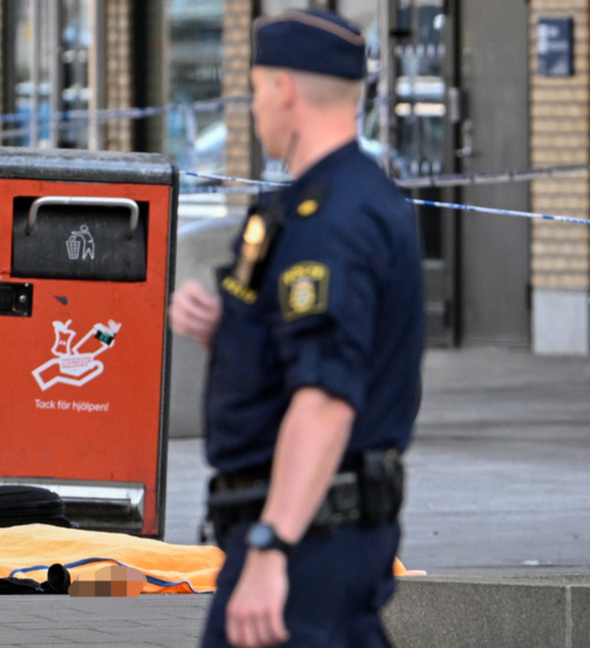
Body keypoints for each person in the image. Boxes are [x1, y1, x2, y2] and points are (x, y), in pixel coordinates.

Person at [169, 9, 424, 648]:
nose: (254, 108)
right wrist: (222, 329)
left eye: (256, 90)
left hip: (308, 538)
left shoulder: (333, 220)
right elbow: (289, 350)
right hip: (311, 534)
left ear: (283, 89)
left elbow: (326, 400)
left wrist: (270, 546)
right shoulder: (306, 204)